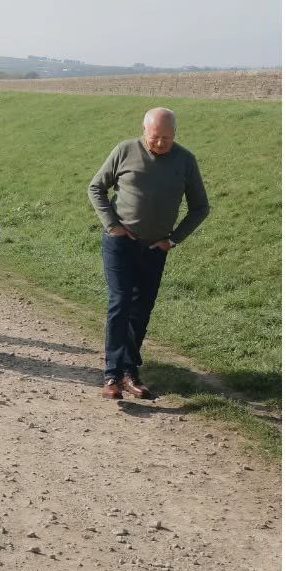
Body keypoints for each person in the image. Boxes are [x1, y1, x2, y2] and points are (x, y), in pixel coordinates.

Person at [87, 106, 210, 401]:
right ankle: (112, 375)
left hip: (155, 248)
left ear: (175, 135)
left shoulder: (185, 160)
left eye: (167, 138)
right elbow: (96, 188)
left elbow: (200, 208)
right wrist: (112, 225)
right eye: (156, 137)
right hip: (120, 242)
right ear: (144, 130)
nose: (160, 143)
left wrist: (173, 240)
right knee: (120, 302)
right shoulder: (125, 150)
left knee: (141, 309)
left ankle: (130, 371)